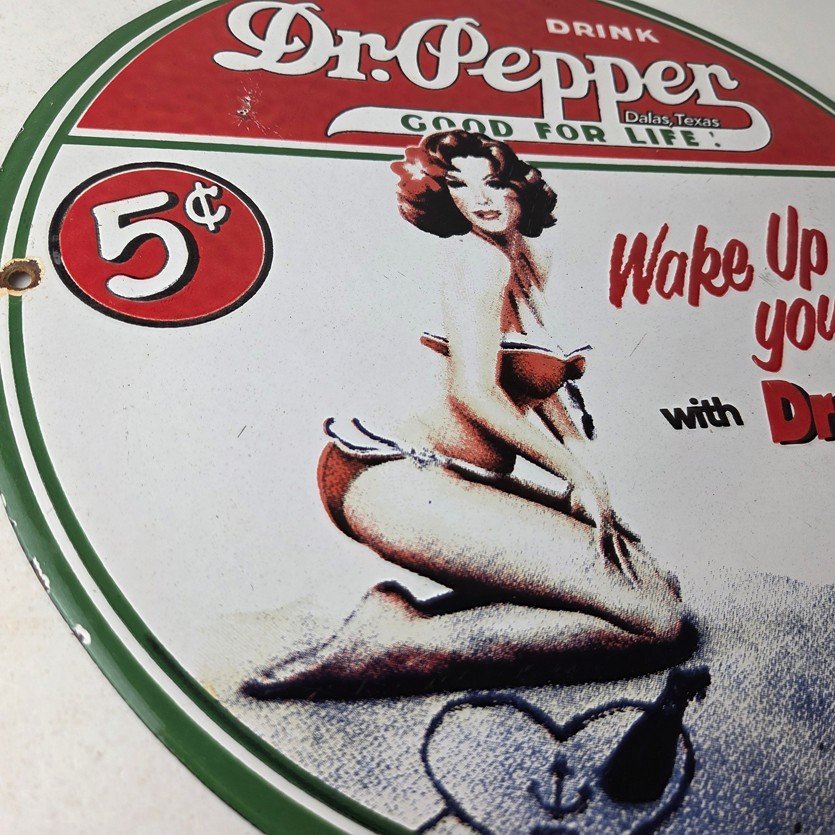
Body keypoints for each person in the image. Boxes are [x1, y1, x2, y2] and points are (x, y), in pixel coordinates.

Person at [244, 130, 688, 700]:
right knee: (654, 621)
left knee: (653, 583)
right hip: (393, 478)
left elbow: (536, 382)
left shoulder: (526, 262)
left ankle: (407, 622)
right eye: (460, 185)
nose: (480, 199)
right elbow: (473, 394)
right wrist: (573, 472)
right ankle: (403, 641)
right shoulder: (477, 261)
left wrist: (588, 471)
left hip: (451, 479)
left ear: (521, 188)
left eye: (494, 183)